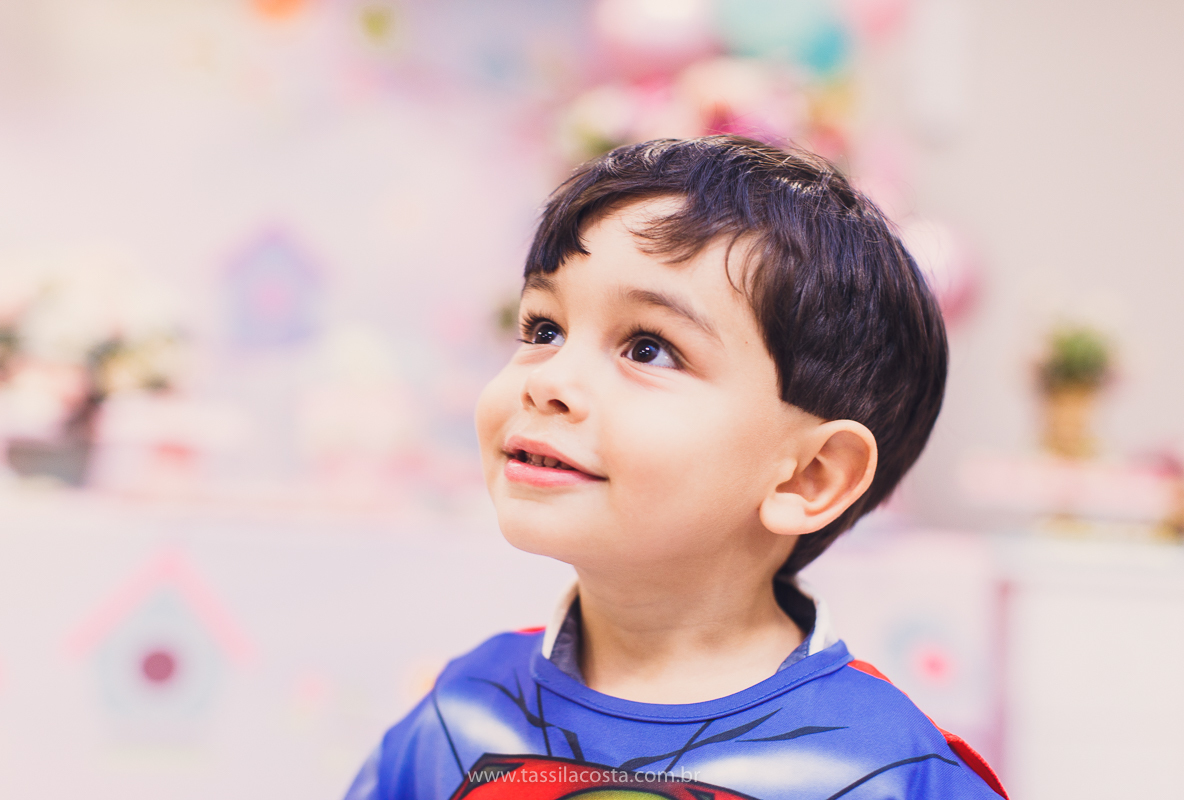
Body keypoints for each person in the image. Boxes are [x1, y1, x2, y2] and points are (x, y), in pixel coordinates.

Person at [345, 137, 1007, 800]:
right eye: (544, 330)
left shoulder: (891, 774)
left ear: (808, 476)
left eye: (648, 349)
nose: (548, 382)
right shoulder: (462, 712)